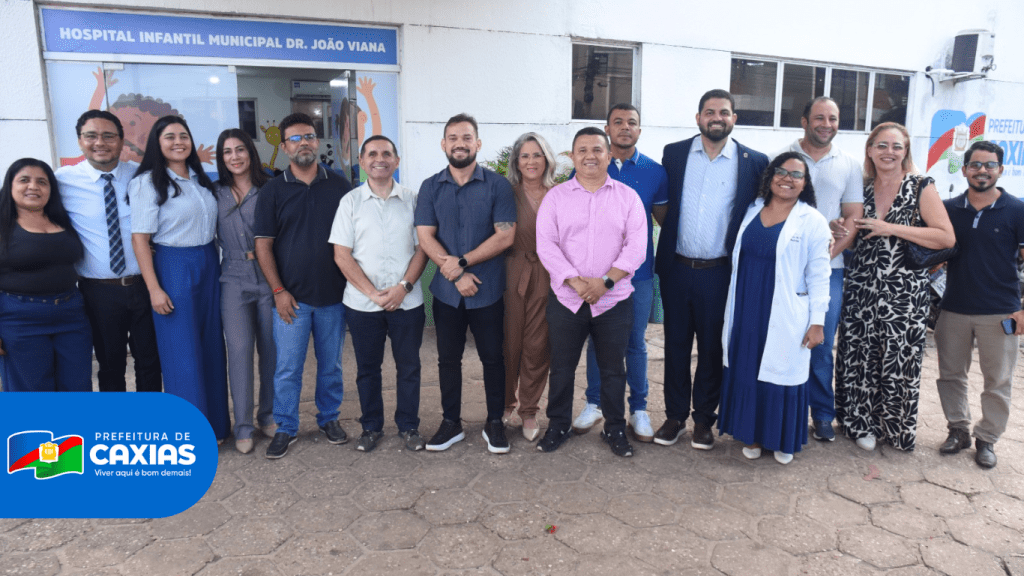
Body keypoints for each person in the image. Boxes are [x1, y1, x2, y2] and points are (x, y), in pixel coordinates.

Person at [653, 89, 769, 450]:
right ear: (698, 117)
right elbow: (664, 206)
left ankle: (704, 419)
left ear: (734, 118)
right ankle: (675, 417)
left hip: (721, 273)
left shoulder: (754, 161)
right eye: (709, 112)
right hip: (677, 268)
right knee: (675, 345)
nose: (716, 118)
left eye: (723, 112)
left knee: (712, 348)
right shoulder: (674, 153)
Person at [833, 122, 955, 451]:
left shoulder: (920, 186)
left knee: (898, 359)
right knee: (859, 356)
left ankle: (895, 429)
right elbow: (849, 232)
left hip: (904, 291)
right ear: (870, 150)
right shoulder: (860, 187)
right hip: (861, 286)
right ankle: (859, 424)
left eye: (896, 146)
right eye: (882, 145)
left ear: (905, 152)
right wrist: (837, 226)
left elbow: (946, 237)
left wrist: (892, 228)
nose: (889, 152)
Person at [535, 127, 647, 457]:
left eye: (597, 149)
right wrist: (576, 282)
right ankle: (558, 425)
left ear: (609, 155)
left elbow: (636, 247)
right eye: (582, 150)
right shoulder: (556, 197)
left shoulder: (628, 197)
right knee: (562, 368)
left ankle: (614, 428)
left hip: (613, 300)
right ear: (572, 156)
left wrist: (605, 282)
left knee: (613, 370)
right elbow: (547, 245)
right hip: (567, 300)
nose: (590, 156)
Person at [718, 152, 832, 464]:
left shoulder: (813, 221)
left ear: (805, 183)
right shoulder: (752, 209)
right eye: (781, 171)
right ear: (770, 177)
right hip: (746, 306)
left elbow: (820, 275)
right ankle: (753, 435)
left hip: (784, 309)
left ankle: (781, 439)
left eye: (796, 174)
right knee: (748, 367)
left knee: (782, 373)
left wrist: (818, 322)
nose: (787, 179)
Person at [414, 113, 516, 454]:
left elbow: (505, 236)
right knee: (448, 359)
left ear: (478, 143)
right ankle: (450, 423)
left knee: (493, 358)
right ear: (444, 144)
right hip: (446, 293)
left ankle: (495, 422)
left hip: (488, 289)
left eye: (467, 137)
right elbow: (425, 236)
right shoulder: (430, 186)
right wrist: (457, 274)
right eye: (453, 138)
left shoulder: (498, 186)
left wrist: (462, 263)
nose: (460, 144)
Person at [254, 112, 353, 459]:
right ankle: (286, 426)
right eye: (295, 139)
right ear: (284, 147)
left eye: (309, 136)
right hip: (291, 300)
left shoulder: (340, 186)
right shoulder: (272, 190)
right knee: (287, 368)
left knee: (331, 366)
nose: (304, 143)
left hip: (333, 297)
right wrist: (279, 292)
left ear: (317, 141)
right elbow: (263, 246)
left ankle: (329, 418)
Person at [129, 115, 229, 440]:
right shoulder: (147, 183)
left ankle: (216, 425)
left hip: (208, 262)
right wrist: (154, 289)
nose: (178, 142)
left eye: (183, 136)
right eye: (169, 137)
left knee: (211, 346)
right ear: (157, 144)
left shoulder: (201, 180)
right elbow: (140, 239)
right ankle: (189, 432)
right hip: (173, 265)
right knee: (182, 351)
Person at [572, 104, 668, 443]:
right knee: (597, 342)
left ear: (639, 130)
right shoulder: (590, 165)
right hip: (594, 278)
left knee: (634, 343)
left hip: (637, 276)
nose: (625, 127)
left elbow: (662, 222)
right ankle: (594, 403)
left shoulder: (655, 172)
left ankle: (638, 409)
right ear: (607, 129)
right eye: (618, 122)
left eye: (632, 122)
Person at [772, 97, 863, 442]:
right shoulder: (781, 158)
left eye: (833, 118)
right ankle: (787, 410)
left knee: (820, 343)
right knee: (784, 338)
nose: (826, 124)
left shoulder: (849, 164)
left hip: (831, 268)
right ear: (804, 121)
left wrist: (825, 258)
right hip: (786, 268)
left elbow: (852, 216)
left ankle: (823, 414)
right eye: (819, 118)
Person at [330, 135, 428, 453]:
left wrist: (403, 287)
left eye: (386, 153)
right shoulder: (350, 202)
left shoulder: (413, 200)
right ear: (362, 162)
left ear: (397, 161)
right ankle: (371, 427)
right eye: (372, 154)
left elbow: (423, 249)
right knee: (367, 370)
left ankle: (409, 426)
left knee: (409, 368)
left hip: (407, 302)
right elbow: (342, 255)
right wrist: (372, 293)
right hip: (362, 304)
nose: (379, 159)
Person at [56, 110, 162, 393]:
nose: (100, 143)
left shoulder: (140, 175)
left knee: (150, 362)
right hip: (98, 291)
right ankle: (114, 417)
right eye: (91, 136)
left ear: (121, 141)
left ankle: (149, 417)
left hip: (144, 285)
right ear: (80, 141)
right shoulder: (62, 181)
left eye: (108, 136)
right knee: (110, 364)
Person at [935, 140, 1024, 468]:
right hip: (954, 307)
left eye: (989, 165)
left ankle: (987, 438)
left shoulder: (1017, 210)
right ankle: (958, 430)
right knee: (950, 375)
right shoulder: (947, 208)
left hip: (1001, 311)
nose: (982, 170)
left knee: (998, 380)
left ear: (1000, 169)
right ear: (964, 169)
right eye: (975, 164)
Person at [0, 159, 92, 392]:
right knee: (33, 393)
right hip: (20, 319)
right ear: (10, 186)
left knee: (78, 388)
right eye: (24, 180)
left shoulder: (63, 220)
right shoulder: (2, 225)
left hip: (71, 314)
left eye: (42, 182)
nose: (33, 186)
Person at [215, 128, 276, 454]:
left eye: (240, 149)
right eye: (227, 152)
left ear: (250, 152)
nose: (235, 157)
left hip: (268, 275)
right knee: (239, 351)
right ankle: (242, 425)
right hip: (233, 279)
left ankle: (268, 416)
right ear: (221, 158)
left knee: (271, 351)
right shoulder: (215, 193)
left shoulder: (270, 189)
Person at [503, 132, 558, 442]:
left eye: (537, 154)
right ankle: (505, 404)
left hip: (549, 276)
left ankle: (529, 410)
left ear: (546, 159)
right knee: (509, 343)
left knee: (538, 346)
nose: (531, 161)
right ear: (516, 161)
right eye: (524, 155)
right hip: (512, 273)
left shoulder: (560, 194)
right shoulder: (506, 193)